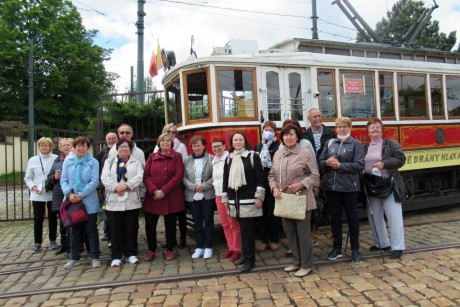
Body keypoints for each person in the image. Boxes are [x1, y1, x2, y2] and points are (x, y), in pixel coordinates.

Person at [268, 124, 319, 277]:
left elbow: (314, 174)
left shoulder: (305, 153)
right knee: (289, 232)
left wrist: (302, 184)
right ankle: (296, 262)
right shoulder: (278, 154)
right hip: (284, 199)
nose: (288, 137)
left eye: (291, 134)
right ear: (282, 138)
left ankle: (307, 264)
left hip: (301, 199)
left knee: (303, 234)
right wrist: (274, 188)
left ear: (297, 137)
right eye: (285, 135)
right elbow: (271, 175)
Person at [319, 117, 364, 264]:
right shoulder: (330, 143)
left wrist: (341, 166)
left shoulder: (356, 144)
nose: (341, 129)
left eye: (344, 127)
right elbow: (320, 162)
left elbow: (359, 165)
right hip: (331, 187)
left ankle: (355, 249)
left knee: (352, 218)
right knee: (335, 218)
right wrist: (327, 162)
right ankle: (337, 247)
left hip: (349, 188)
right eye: (339, 127)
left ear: (350, 128)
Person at [222, 132, 265, 273]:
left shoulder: (253, 156)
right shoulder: (229, 158)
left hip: (249, 200)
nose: (238, 142)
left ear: (245, 141)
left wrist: (259, 196)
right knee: (242, 230)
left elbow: (260, 178)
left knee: (248, 231)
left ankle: (249, 260)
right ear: (232, 142)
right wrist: (225, 198)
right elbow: (225, 180)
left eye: (240, 139)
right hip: (235, 201)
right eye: (235, 140)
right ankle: (245, 256)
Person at [363, 118, 406, 260]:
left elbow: (400, 159)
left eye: (377, 127)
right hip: (372, 186)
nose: (374, 129)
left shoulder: (391, 144)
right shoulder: (365, 147)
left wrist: (384, 163)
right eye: (372, 127)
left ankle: (398, 247)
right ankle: (381, 243)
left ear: (382, 130)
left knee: (394, 216)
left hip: (389, 184)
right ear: (368, 131)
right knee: (374, 216)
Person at [101, 139, 144, 267]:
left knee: (131, 228)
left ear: (130, 149)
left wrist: (126, 185)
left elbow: (139, 177)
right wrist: (116, 187)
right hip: (114, 200)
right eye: (121, 147)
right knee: (115, 230)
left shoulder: (136, 162)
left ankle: (130, 254)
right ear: (117, 149)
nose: (124, 149)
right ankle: (116, 256)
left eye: (126, 147)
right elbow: (104, 177)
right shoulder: (109, 162)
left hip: (131, 199)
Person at [143, 133, 185, 261]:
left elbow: (179, 175)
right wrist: (154, 190)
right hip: (153, 197)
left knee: (170, 225)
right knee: (150, 225)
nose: (165, 143)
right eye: (163, 141)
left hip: (171, 195)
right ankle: (151, 249)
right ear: (159, 143)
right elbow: (146, 176)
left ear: (172, 143)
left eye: (168, 141)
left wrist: (164, 190)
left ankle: (170, 249)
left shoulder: (177, 156)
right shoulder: (151, 157)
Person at [61, 136, 101, 269]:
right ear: (75, 147)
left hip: (88, 200)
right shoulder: (68, 161)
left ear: (87, 147)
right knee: (74, 231)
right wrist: (69, 193)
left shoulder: (93, 162)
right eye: (78, 145)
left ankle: (95, 256)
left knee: (91, 230)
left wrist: (81, 194)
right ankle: (74, 256)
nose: (81, 148)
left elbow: (94, 181)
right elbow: (64, 180)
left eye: (84, 145)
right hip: (72, 201)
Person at [304, 108, 337, 244]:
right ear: (309, 119)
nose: (317, 119)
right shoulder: (304, 135)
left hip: (328, 173)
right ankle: (313, 234)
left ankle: (334, 233)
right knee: (313, 205)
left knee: (333, 205)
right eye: (314, 117)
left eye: (319, 116)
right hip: (312, 174)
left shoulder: (330, 133)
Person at [153, 123, 188, 249]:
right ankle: (171, 239)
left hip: (178, 184)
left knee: (180, 213)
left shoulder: (181, 146)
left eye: (174, 132)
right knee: (169, 214)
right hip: (163, 186)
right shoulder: (158, 147)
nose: (172, 134)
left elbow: (184, 163)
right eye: (169, 131)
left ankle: (183, 239)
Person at [183, 135, 215, 259]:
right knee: (197, 222)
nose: (196, 148)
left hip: (207, 194)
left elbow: (215, 175)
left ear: (204, 146)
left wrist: (204, 186)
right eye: (194, 146)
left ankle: (208, 246)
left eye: (199, 145)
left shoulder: (211, 158)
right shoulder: (187, 160)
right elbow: (183, 177)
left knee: (208, 221)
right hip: (192, 194)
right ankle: (199, 246)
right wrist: (193, 187)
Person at [24, 137, 58, 253]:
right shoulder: (33, 160)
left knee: (53, 217)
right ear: (38, 147)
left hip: (52, 192)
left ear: (50, 146)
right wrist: (33, 187)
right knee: (38, 218)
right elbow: (28, 178)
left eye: (46, 145)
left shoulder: (56, 158)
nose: (44, 147)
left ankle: (53, 240)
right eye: (41, 145)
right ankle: (37, 242)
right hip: (38, 193)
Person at [211, 136, 242, 261]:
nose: (217, 148)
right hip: (218, 195)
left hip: (228, 196)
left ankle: (237, 249)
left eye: (219, 145)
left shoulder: (230, 158)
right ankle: (231, 247)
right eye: (214, 146)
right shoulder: (214, 160)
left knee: (233, 223)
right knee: (224, 224)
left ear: (224, 146)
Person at [254, 121, 281, 252]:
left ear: (275, 132)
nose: (268, 131)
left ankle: (274, 239)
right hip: (261, 182)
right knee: (262, 212)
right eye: (266, 129)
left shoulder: (278, 146)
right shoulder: (259, 146)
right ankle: (264, 240)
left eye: (271, 130)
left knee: (273, 211)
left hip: (273, 182)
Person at [46, 138, 73, 255]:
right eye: (64, 145)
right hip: (59, 195)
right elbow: (49, 177)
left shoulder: (75, 158)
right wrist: (54, 177)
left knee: (74, 220)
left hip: (72, 194)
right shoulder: (57, 161)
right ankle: (64, 245)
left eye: (68, 145)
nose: (66, 147)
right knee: (63, 222)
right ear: (61, 148)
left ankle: (75, 245)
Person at [96, 132, 118, 242]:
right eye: (109, 139)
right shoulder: (102, 152)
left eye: (113, 138)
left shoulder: (121, 149)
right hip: (105, 186)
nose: (111, 140)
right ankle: (106, 232)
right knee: (105, 208)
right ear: (106, 140)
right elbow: (99, 168)